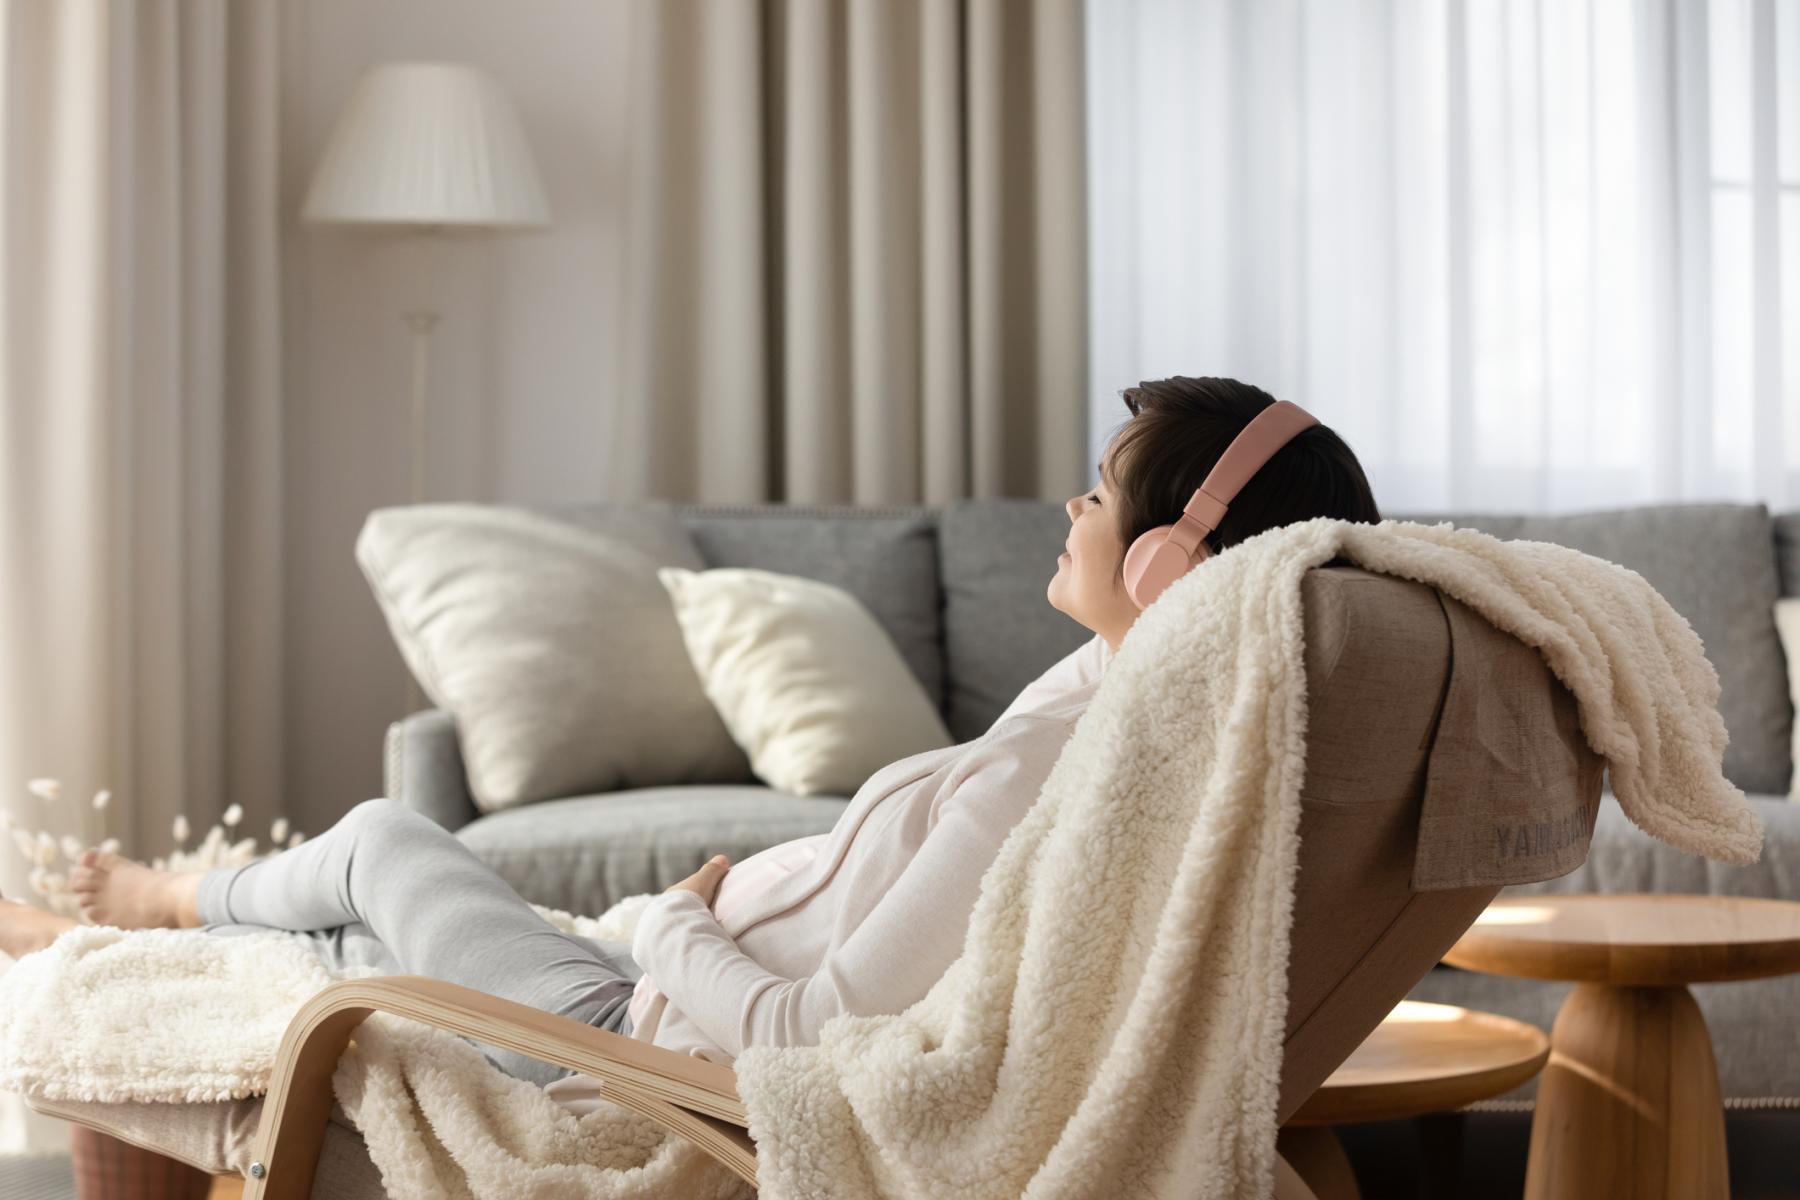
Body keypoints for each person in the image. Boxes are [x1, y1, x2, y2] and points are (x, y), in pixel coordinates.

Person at [0, 375, 1382, 1086]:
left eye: (1101, 491)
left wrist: (671, 924)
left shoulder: (1056, 771)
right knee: (361, 947)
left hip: (642, 1034)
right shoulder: (1124, 711)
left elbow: (814, 1036)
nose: (1074, 509)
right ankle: (107, 939)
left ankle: (154, 902)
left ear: (1169, 566)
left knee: (380, 842)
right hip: (657, 990)